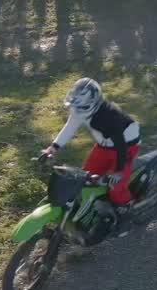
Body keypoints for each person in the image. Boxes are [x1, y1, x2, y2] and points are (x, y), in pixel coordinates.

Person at [39, 78, 141, 206]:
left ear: (94, 102)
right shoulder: (79, 109)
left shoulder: (108, 116)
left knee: (115, 186)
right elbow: (70, 127)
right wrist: (53, 148)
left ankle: (127, 205)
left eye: (82, 107)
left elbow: (121, 146)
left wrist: (119, 171)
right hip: (104, 145)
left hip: (126, 146)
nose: (78, 110)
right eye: (76, 106)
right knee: (84, 177)